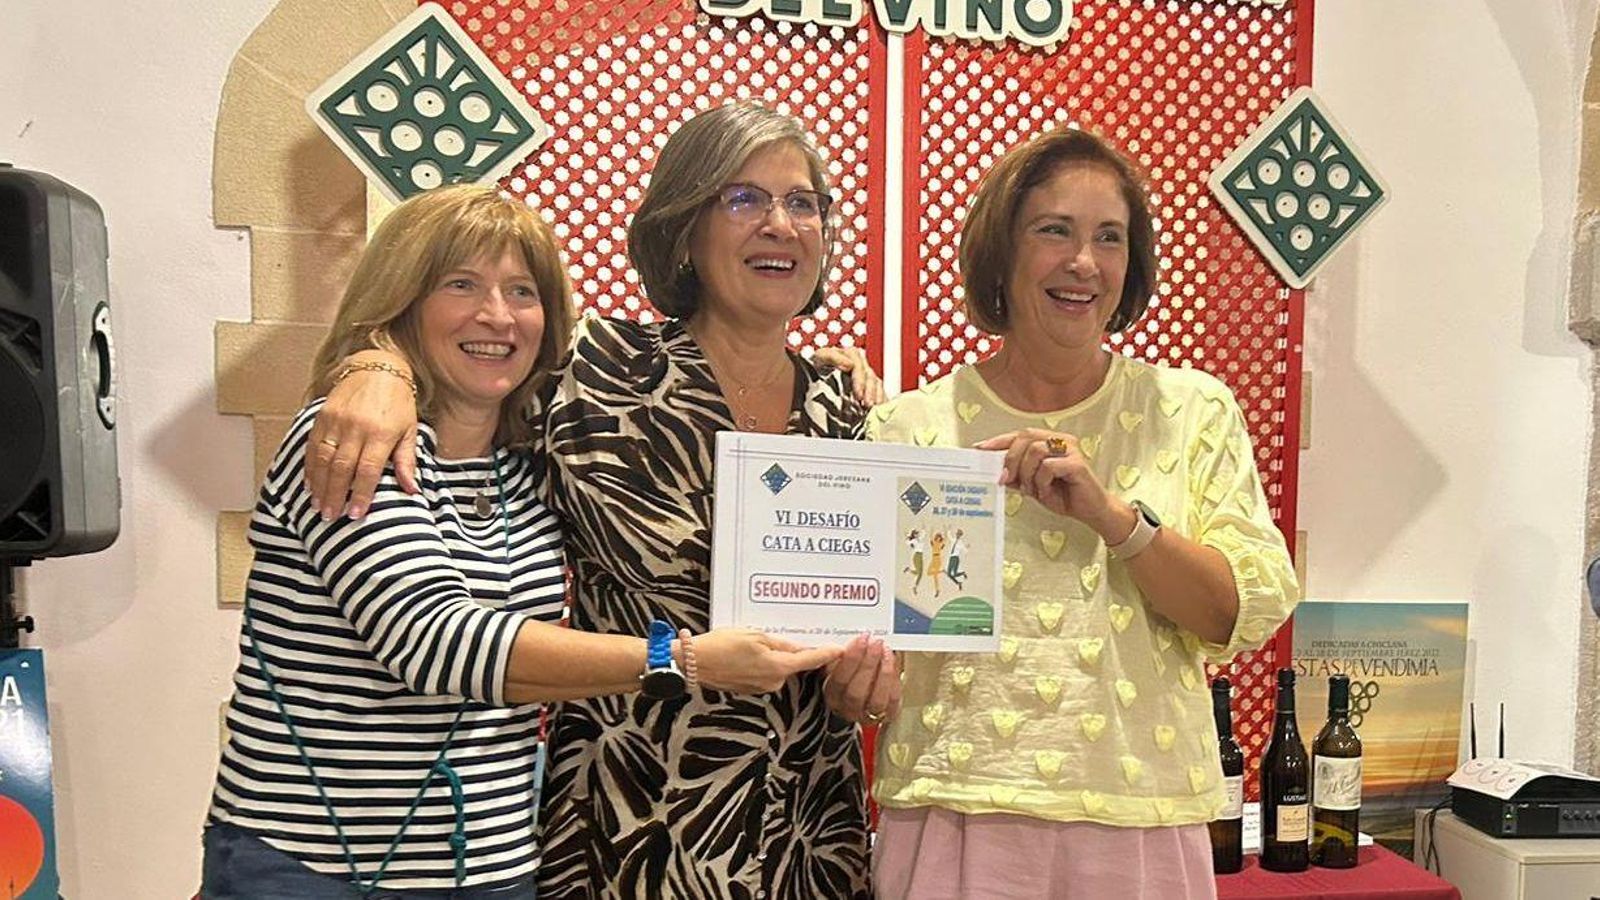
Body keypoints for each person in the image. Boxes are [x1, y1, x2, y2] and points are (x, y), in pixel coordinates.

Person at [301, 104, 894, 898]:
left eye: (803, 202)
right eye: (743, 199)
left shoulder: (854, 412)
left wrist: (871, 682)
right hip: (631, 814)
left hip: (806, 825)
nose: (781, 224)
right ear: (684, 228)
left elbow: (880, 620)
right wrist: (375, 368)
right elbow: (465, 370)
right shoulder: (590, 370)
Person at [863, 128, 1300, 898]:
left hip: (1141, 819)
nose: (1083, 263)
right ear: (1001, 251)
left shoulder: (1190, 411)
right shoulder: (913, 429)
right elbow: (881, 652)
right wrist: (855, 675)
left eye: (1109, 238)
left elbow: (1235, 612)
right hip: (954, 806)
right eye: (1054, 231)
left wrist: (1117, 519)